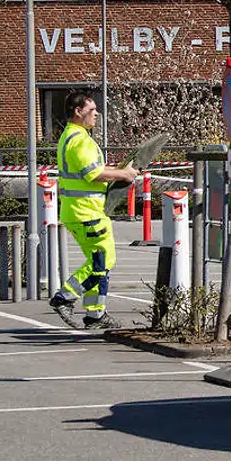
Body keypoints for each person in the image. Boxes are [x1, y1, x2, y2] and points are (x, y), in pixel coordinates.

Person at [48, 91, 139, 329]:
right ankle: (65, 298)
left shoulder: (72, 136)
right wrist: (124, 174)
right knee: (103, 261)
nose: (97, 114)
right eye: (92, 110)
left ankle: (95, 314)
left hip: (82, 211)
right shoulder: (79, 140)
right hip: (86, 212)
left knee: (98, 261)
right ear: (78, 112)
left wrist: (120, 172)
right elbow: (93, 173)